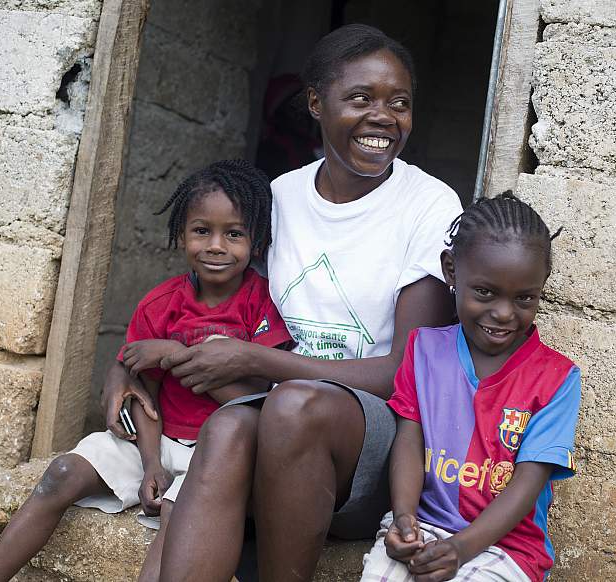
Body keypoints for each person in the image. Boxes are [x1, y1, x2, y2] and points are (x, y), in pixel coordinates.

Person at [99, 24, 463, 582]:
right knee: (226, 429)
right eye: (361, 98)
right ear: (316, 102)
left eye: (400, 103)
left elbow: (407, 373)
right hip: (267, 417)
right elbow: (203, 302)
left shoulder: (428, 205)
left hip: (374, 443)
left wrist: (258, 361)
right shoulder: (278, 198)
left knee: (293, 406)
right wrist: (124, 367)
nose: (383, 117)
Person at [0, 160, 292, 582]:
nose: (216, 245)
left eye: (234, 234)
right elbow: (140, 393)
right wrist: (150, 465)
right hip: (157, 440)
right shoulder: (160, 305)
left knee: (177, 522)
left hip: (219, 456)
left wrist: (179, 353)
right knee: (60, 475)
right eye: (202, 231)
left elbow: (255, 401)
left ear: (257, 242)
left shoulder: (263, 304)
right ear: (181, 235)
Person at [359, 194, 581, 582]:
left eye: (524, 298)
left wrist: (461, 549)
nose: (504, 313)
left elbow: (528, 483)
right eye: (485, 292)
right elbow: (409, 443)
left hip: (508, 547)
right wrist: (404, 518)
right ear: (451, 271)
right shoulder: (423, 349)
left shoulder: (556, 379)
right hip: (425, 525)